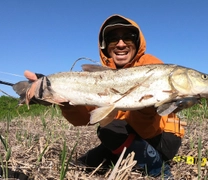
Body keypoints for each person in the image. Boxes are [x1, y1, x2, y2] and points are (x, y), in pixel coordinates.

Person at [25, 14, 185, 178]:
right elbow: (85, 118)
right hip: (127, 135)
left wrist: (150, 107)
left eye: (128, 38)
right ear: (104, 45)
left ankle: (159, 170)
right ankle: (126, 155)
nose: (121, 44)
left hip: (161, 137)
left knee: (110, 129)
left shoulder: (153, 67)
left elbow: (148, 130)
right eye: (113, 39)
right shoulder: (100, 76)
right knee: (86, 163)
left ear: (137, 42)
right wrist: (59, 97)